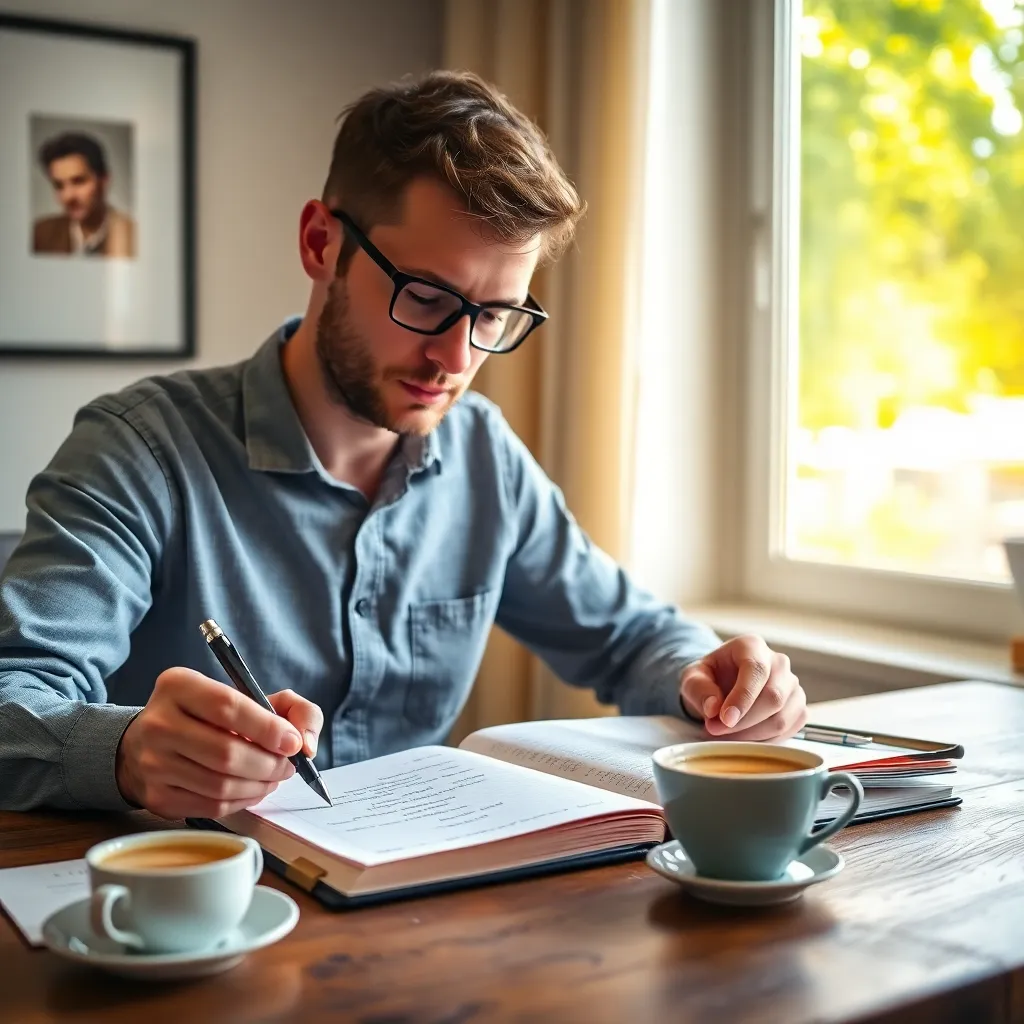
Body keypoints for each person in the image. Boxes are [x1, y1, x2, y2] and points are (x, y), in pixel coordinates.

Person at [0, 71, 807, 818]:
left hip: (411, 919)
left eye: (494, 316)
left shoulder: (483, 457)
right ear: (321, 244)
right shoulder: (138, 449)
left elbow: (630, 637)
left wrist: (710, 679)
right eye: (427, 298)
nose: (457, 360)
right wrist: (128, 755)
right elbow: (13, 701)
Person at [32, 131, 136, 258]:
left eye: (78, 181)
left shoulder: (134, 236)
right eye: (59, 186)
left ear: (104, 181)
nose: (68, 196)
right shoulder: (40, 234)